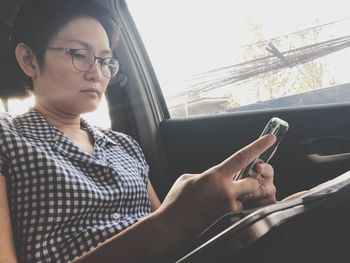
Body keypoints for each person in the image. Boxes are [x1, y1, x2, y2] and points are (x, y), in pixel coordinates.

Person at [0, 0, 277, 262]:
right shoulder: (7, 138)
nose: (97, 73)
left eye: (105, 61)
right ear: (29, 60)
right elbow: (166, 227)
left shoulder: (124, 145)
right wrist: (171, 223)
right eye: (80, 55)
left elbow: (173, 235)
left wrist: (240, 210)